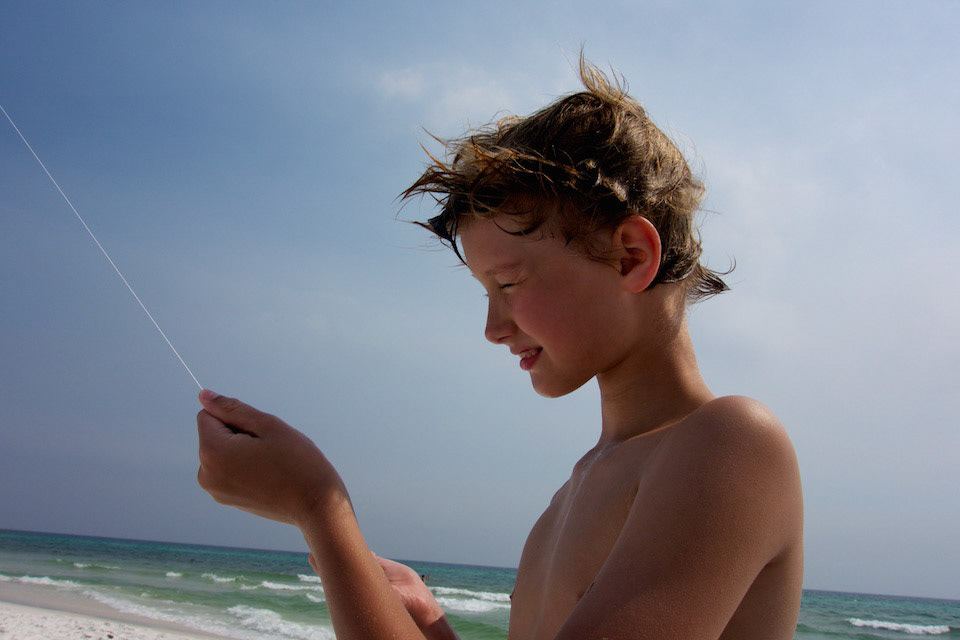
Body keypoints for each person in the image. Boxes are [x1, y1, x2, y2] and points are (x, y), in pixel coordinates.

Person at [195, 59, 803, 640]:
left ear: (630, 257)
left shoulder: (731, 443)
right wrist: (429, 623)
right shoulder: (571, 495)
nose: (492, 327)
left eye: (508, 283)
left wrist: (320, 511)